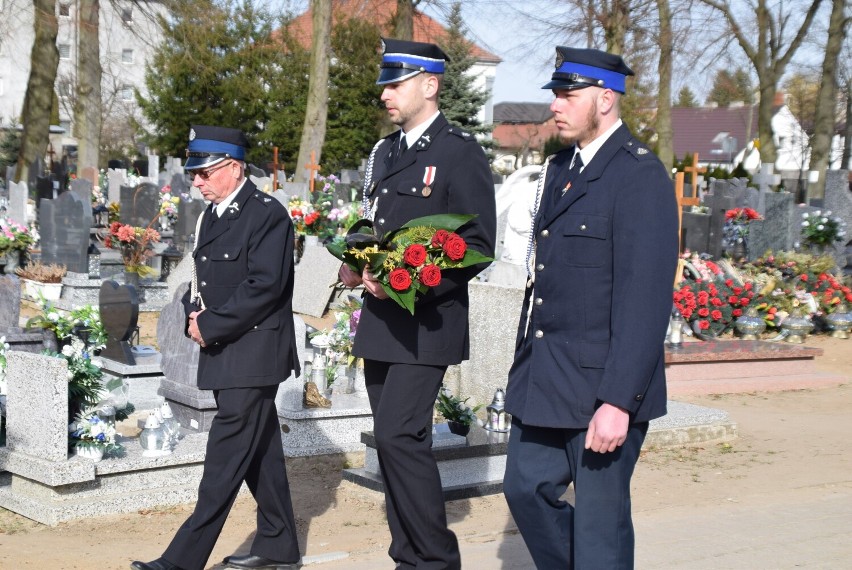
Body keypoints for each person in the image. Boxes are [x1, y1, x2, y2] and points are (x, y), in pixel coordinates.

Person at [502, 47, 678, 569]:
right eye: (555, 94)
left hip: (604, 387)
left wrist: (619, 400)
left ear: (605, 98)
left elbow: (645, 300)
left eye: (567, 94)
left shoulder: (639, 175)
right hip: (547, 379)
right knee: (524, 489)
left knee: (600, 527)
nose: (556, 105)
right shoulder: (559, 168)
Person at [338, 38, 496, 569]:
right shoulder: (384, 152)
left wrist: (411, 282)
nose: (385, 93)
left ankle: (433, 560)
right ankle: (408, 554)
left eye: (396, 83)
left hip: (426, 321)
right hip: (380, 320)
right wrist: (355, 260)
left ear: (429, 86)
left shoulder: (459, 152)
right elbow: (371, 224)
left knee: (398, 434)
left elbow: (476, 246)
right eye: (385, 83)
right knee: (395, 442)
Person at [132, 125, 301, 570]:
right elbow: (204, 276)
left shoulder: (267, 214)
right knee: (260, 453)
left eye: (206, 173)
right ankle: (279, 545)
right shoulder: (213, 213)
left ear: (234, 166)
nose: (197, 182)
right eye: (194, 174)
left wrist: (211, 323)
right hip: (226, 348)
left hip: (256, 352)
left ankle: (181, 559)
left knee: (224, 458)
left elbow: (265, 286)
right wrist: (193, 311)